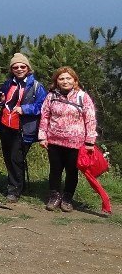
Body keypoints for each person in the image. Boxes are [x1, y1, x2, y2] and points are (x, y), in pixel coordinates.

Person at [38, 67, 97, 212]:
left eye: (68, 78)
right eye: (61, 78)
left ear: (75, 80)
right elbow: (45, 116)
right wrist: (42, 136)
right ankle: (54, 197)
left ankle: (67, 198)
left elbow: (90, 119)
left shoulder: (82, 97)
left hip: (75, 143)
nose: (65, 81)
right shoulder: (51, 96)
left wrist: (90, 141)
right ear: (56, 81)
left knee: (72, 171)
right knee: (55, 170)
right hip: (54, 141)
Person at [0, 53, 47, 202]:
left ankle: (14, 190)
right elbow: (2, 102)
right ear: (11, 69)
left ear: (28, 68)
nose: (19, 69)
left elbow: (42, 106)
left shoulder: (36, 86)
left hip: (23, 128)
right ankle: (17, 185)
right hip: (6, 125)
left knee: (16, 158)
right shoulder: (7, 84)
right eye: (15, 67)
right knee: (8, 157)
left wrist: (24, 109)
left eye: (22, 66)